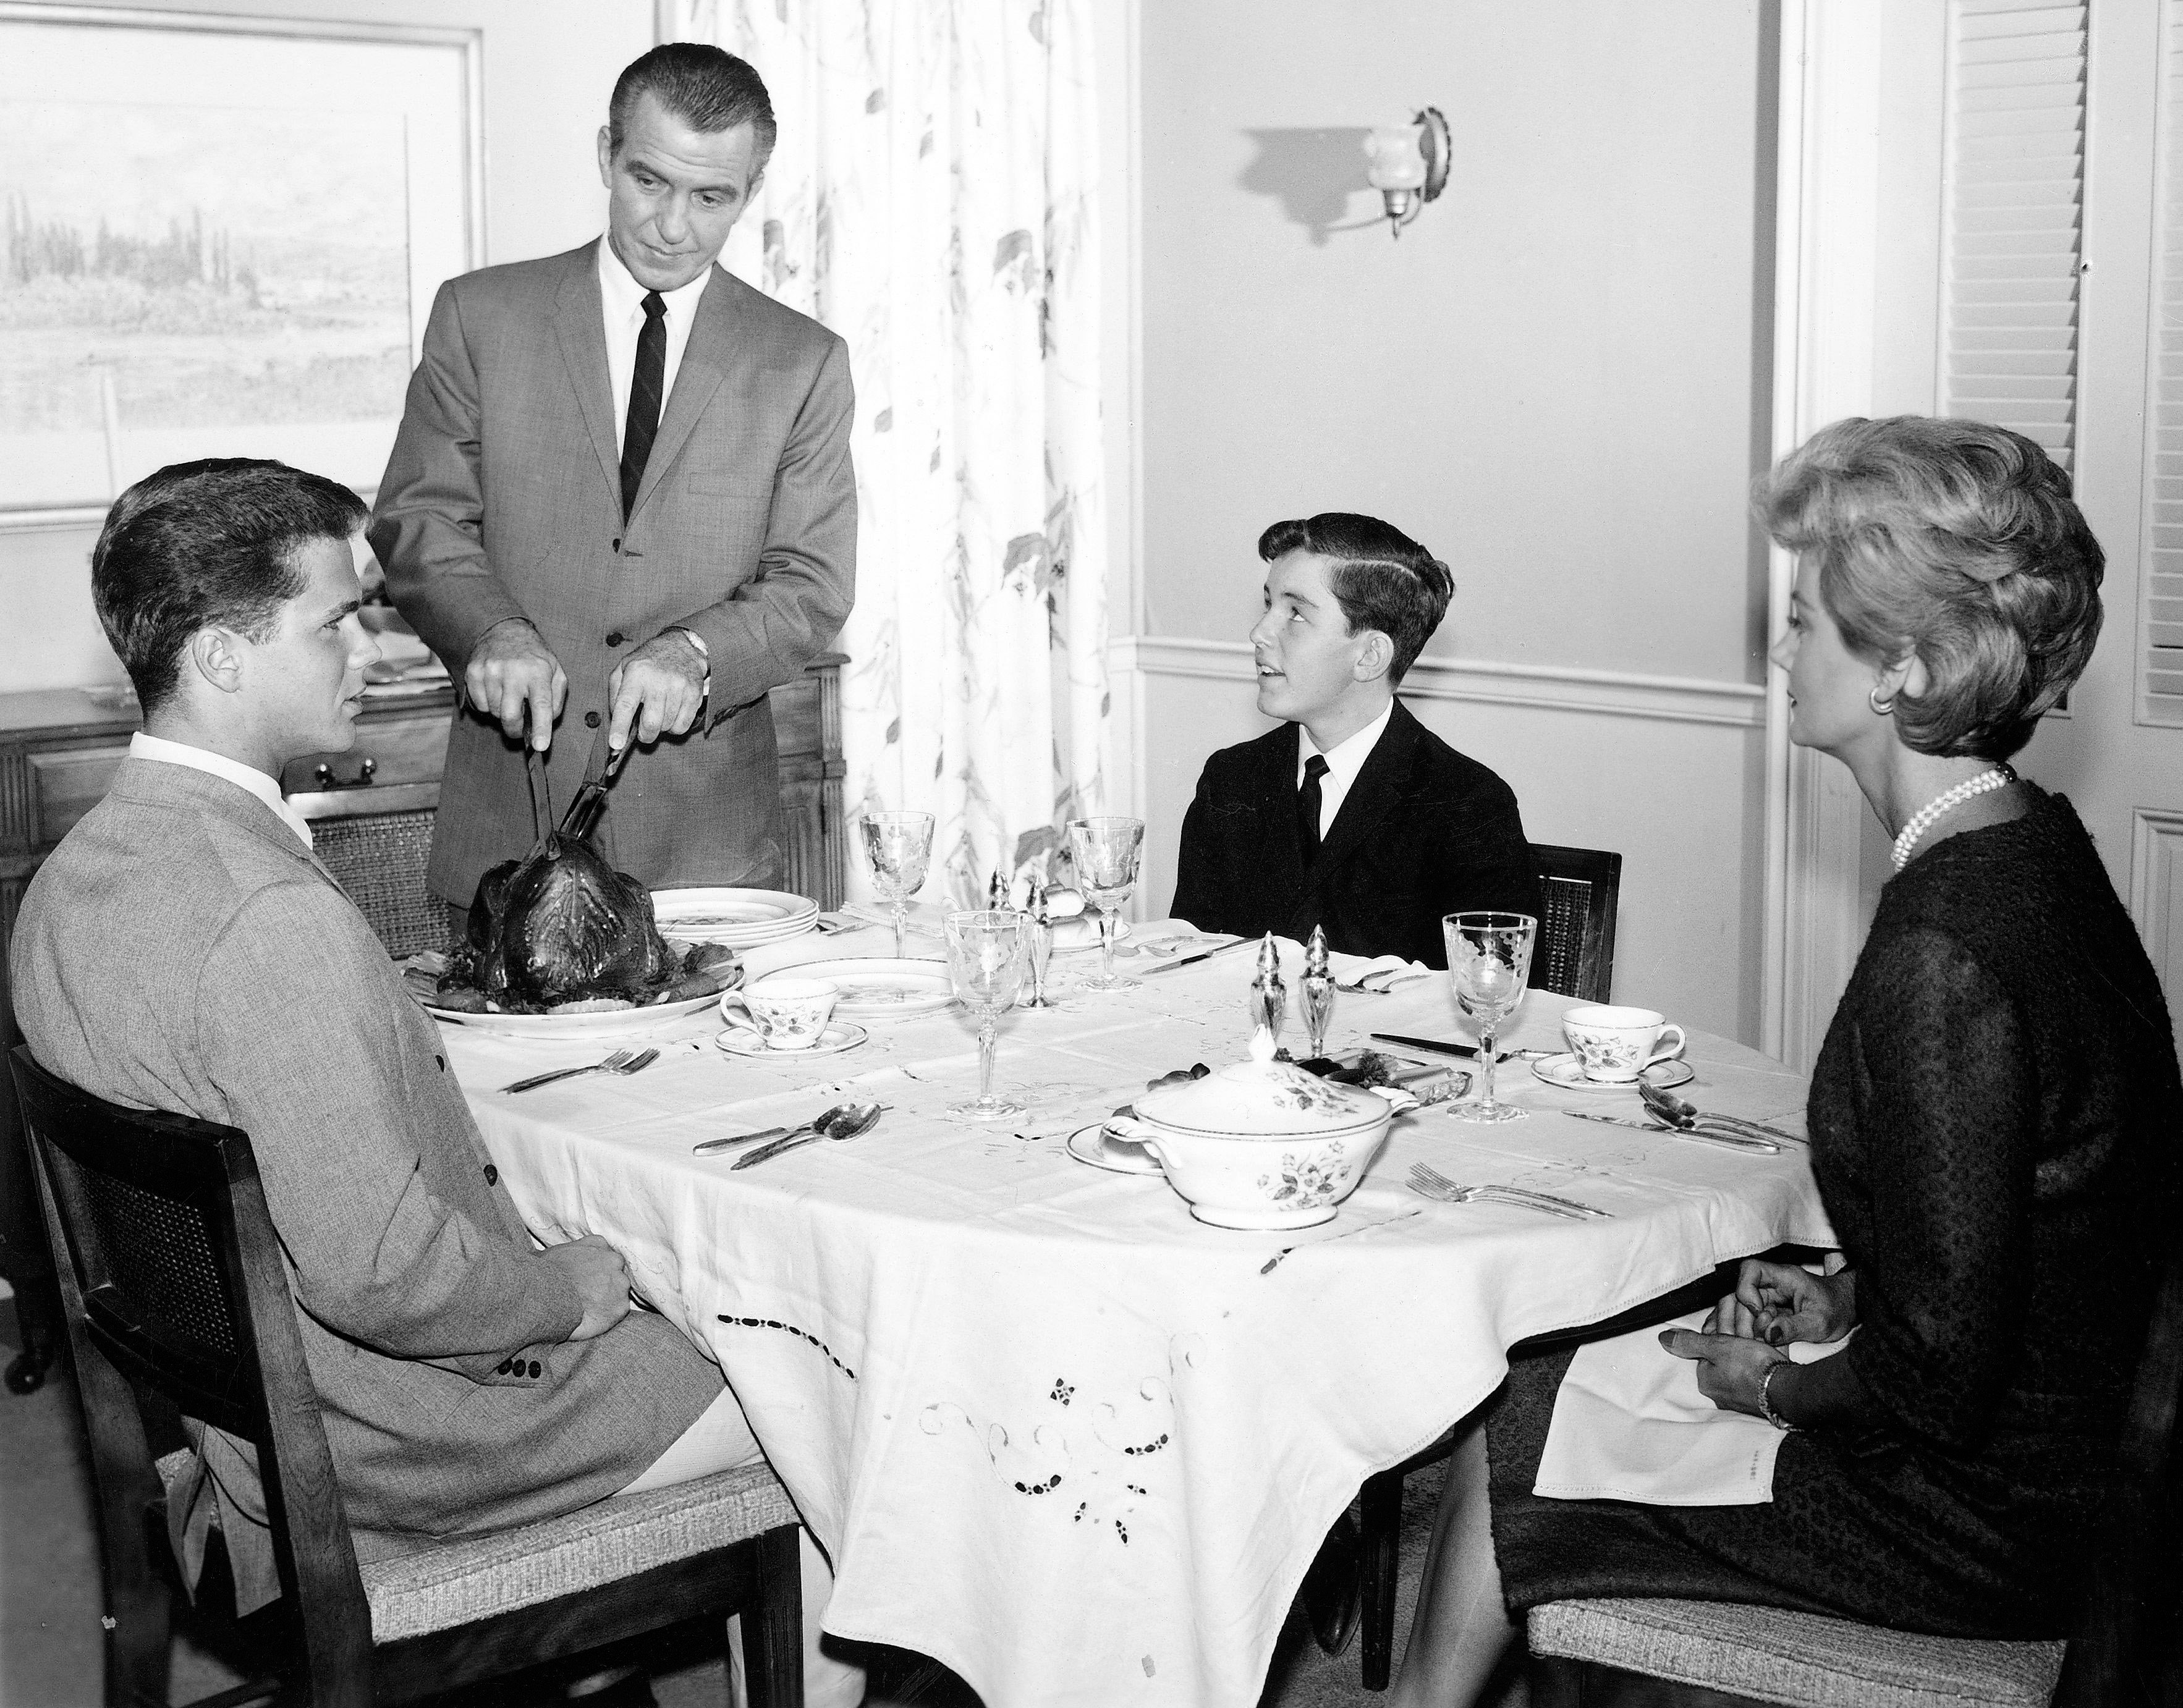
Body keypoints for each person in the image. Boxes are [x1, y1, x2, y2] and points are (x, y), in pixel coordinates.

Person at [11, 460, 861, 1707]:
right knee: (833, 1377)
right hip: (396, 1439)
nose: (372, 648)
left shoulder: (70, 878)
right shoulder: (264, 916)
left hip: (245, 1414)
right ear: (219, 658)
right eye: (335, 620)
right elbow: (386, 1273)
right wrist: (567, 1290)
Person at [1389, 416, 2182, 1706]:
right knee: (1546, 1390)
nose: (1778, 644)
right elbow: (2009, 1240)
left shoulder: (1946, 949)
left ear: (1902, 668)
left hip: (1968, 1526)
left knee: (1523, 1425)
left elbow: (1936, 1380)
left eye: (1806, 617)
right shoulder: (2029, 852)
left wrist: (1778, 1381)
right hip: (2027, 1458)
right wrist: (1847, 1308)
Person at [370, 43, 855, 930]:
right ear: (606, 154)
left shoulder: (804, 362)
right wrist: (492, 629)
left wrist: (698, 654)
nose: (673, 225)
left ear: (751, 190)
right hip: (506, 840)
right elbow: (417, 518)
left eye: (711, 197)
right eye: (648, 181)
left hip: (708, 851)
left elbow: (810, 585)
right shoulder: (481, 317)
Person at [1169, 513, 1538, 967]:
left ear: (1369, 656)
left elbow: (1497, 992)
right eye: (1268, 606)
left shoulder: (1465, 803)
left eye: (1296, 614)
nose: (1259, 633)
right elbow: (1189, 965)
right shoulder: (1232, 780)